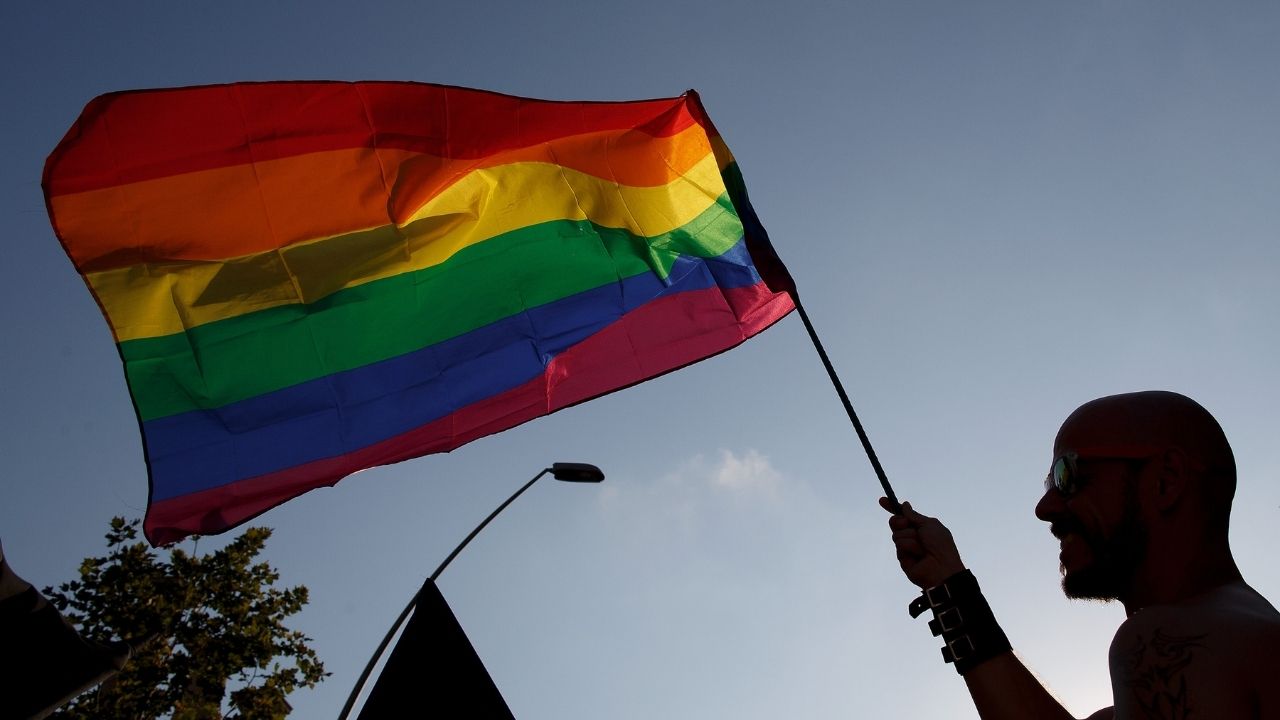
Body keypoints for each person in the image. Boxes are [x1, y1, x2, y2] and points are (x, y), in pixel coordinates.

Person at [882, 390, 1280, 719]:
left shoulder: (1167, 642)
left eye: (1066, 475)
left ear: (1166, 480)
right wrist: (949, 583)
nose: (1045, 508)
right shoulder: (1242, 640)